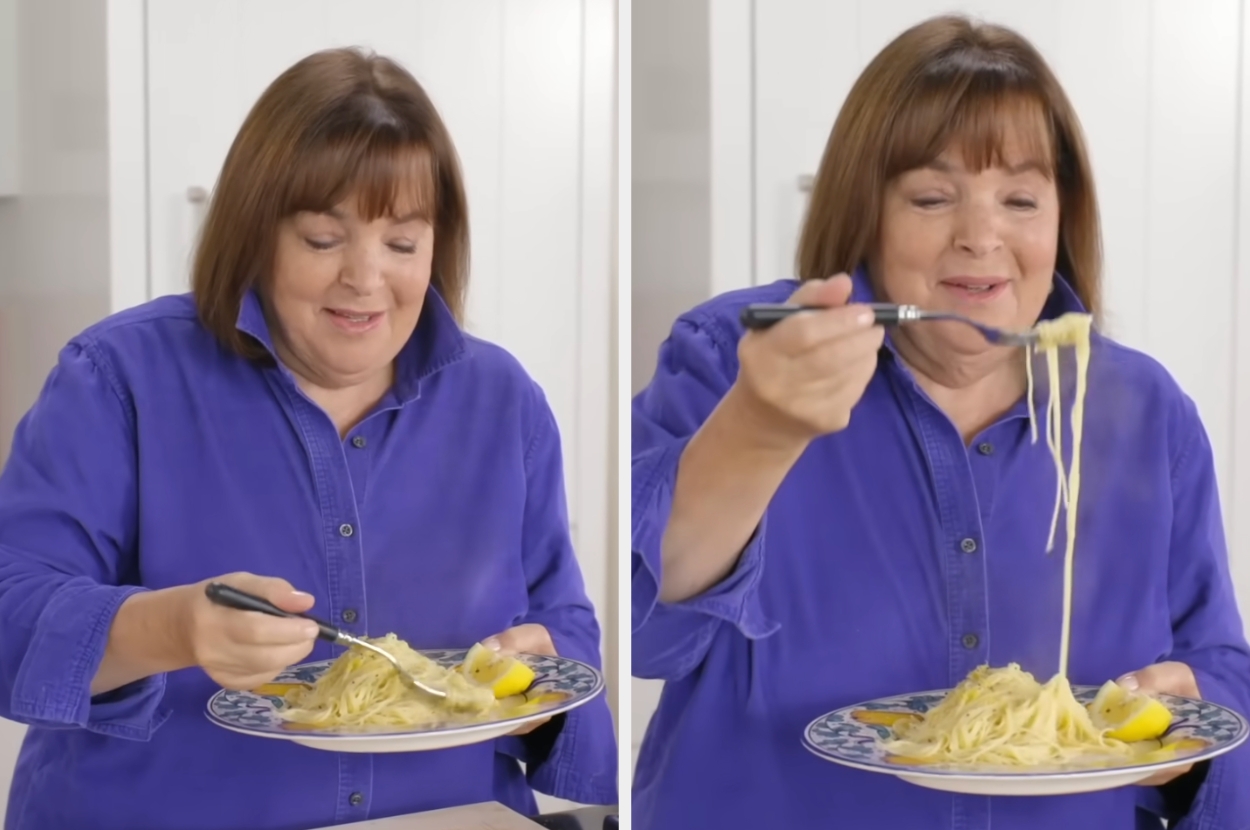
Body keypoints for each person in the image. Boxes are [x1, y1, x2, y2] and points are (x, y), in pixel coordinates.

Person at [631, 15, 1250, 830]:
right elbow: (643, 632)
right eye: (932, 196)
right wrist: (759, 428)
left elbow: (1216, 666)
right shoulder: (733, 355)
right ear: (866, 210)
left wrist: (1190, 708)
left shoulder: (1144, 410)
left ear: (1063, 217)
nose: (982, 237)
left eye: (1021, 198)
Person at [0, 47, 616, 830]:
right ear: (254, 234)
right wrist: (171, 627)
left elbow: (565, 625)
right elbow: (10, 609)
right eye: (325, 239)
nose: (365, 278)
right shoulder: (119, 378)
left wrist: (539, 683)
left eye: (402, 243)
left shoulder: (502, 401)